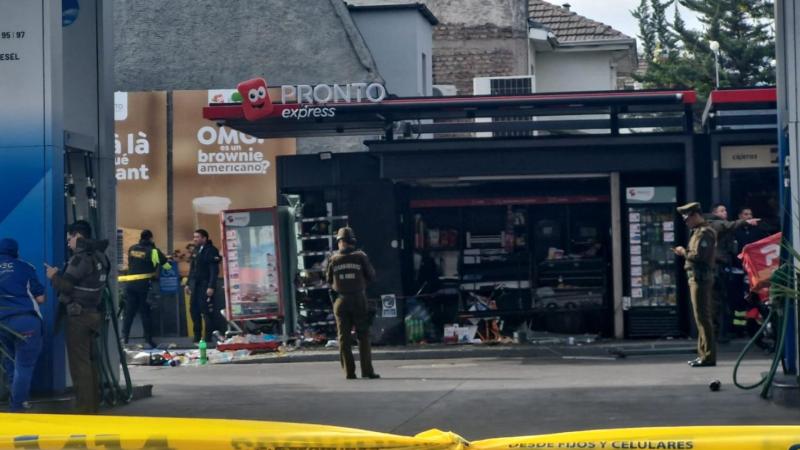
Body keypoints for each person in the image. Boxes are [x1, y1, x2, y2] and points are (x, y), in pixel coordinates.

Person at [45, 220, 109, 413]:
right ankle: (93, 406)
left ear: (78, 236)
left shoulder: (80, 259)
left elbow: (66, 286)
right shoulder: (101, 257)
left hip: (78, 317)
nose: (68, 243)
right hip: (93, 314)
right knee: (90, 364)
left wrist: (53, 276)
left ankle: (85, 410)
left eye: (69, 238)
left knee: (79, 365)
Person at [326, 227, 379, 380]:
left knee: (343, 338)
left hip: (341, 301)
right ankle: (367, 371)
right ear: (352, 242)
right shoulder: (360, 257)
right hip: (358, 299)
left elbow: (328, 279)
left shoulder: (333, 259)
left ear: (340, 242)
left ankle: (349, 372)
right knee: (363, 336)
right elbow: (371, 276)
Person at [0, 238, 46, 412]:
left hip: (2, 323)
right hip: (25, 321)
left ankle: (14, 402)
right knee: (24, 366)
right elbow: (40, 298)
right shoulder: (25, 267)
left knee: (9, 362)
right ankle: (17, 406)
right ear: (16, 252)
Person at [706, 204, 760, 342]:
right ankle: (717, 335)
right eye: (721, 211)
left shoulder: (733, 229)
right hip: (719, 270)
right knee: (717, 304)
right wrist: (744, 222)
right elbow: (726, 226)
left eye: (725, 210)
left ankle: (730, 331)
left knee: (729, 302)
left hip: (728, 269)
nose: (725, 213)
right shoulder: (715, 224)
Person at [673, 202, 718, 367]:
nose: (686, 222)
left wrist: (682, 252)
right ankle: (703, 354)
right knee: (700, 318)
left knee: (703, 318)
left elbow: (699, 256)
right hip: (697, 277)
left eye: (688, 218)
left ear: (695, 215)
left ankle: (708, 356)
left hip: (701, 278)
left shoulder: (705, 232)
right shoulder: (698, 231)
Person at [122, 229, 170, 348]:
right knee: (145, 313)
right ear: (151, 238)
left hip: (130, 285)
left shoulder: (132, 248)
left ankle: (125, 339)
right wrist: (168, 261)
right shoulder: (153, 251)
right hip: (144, 286)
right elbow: (166, 265)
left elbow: (132, 263)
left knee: (129, 312)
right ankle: (148, 340)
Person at [184, 229, 220, 345]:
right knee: (194, 310)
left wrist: (211, 286)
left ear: (204, 238)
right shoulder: (196, 250)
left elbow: (214, 270)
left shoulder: (211, 250)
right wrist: (188, 284)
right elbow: (192, 269)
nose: (195, 239)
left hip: (205, 285)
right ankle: (197, 336)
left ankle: (208, 337)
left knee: (206, 311)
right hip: (195, 285)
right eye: (194, 237)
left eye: (197, 237)